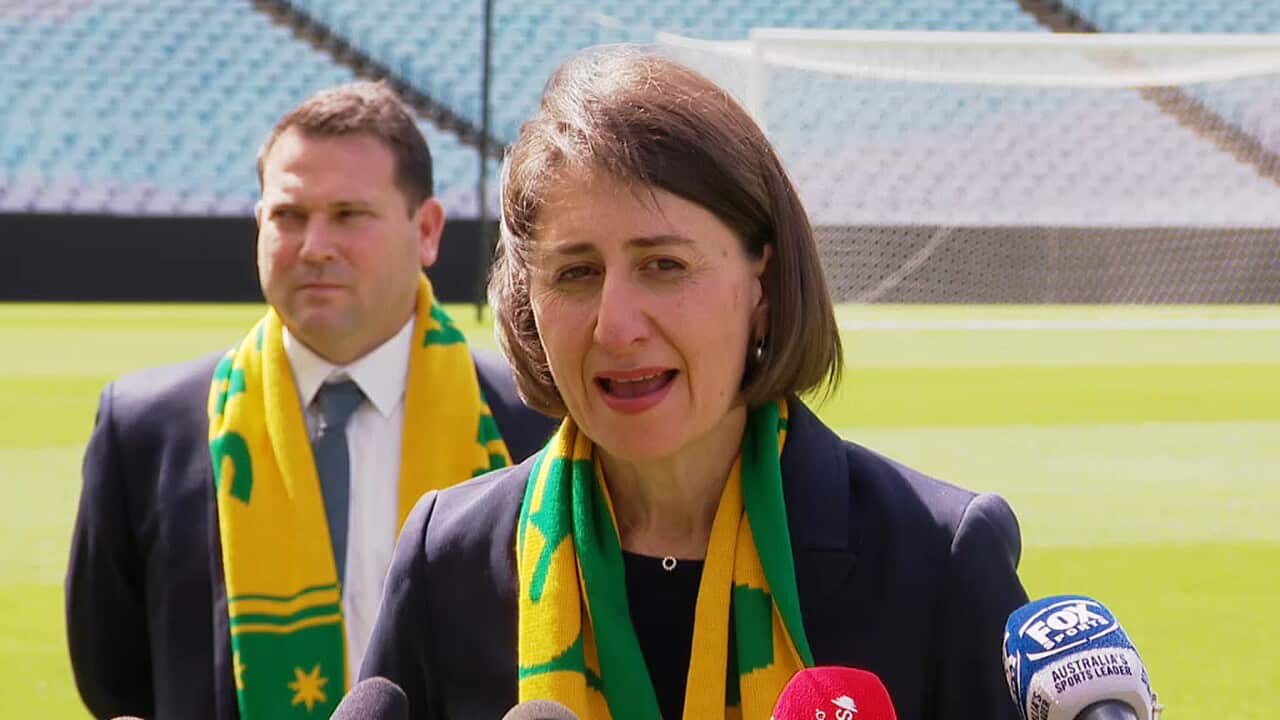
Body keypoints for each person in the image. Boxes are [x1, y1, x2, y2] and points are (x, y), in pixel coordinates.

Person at [360, 49, 1029, 720]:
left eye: (664, 265)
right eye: (576, 273)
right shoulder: (448, 559)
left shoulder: (935, 558)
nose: (615, 326)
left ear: (761, 284)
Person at [65, 81, 556, 720]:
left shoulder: (535, 428)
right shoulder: (145, 431)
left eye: (349, 215)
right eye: (289, 216)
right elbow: (115, 681)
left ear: (427, 230)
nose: (315, 246)